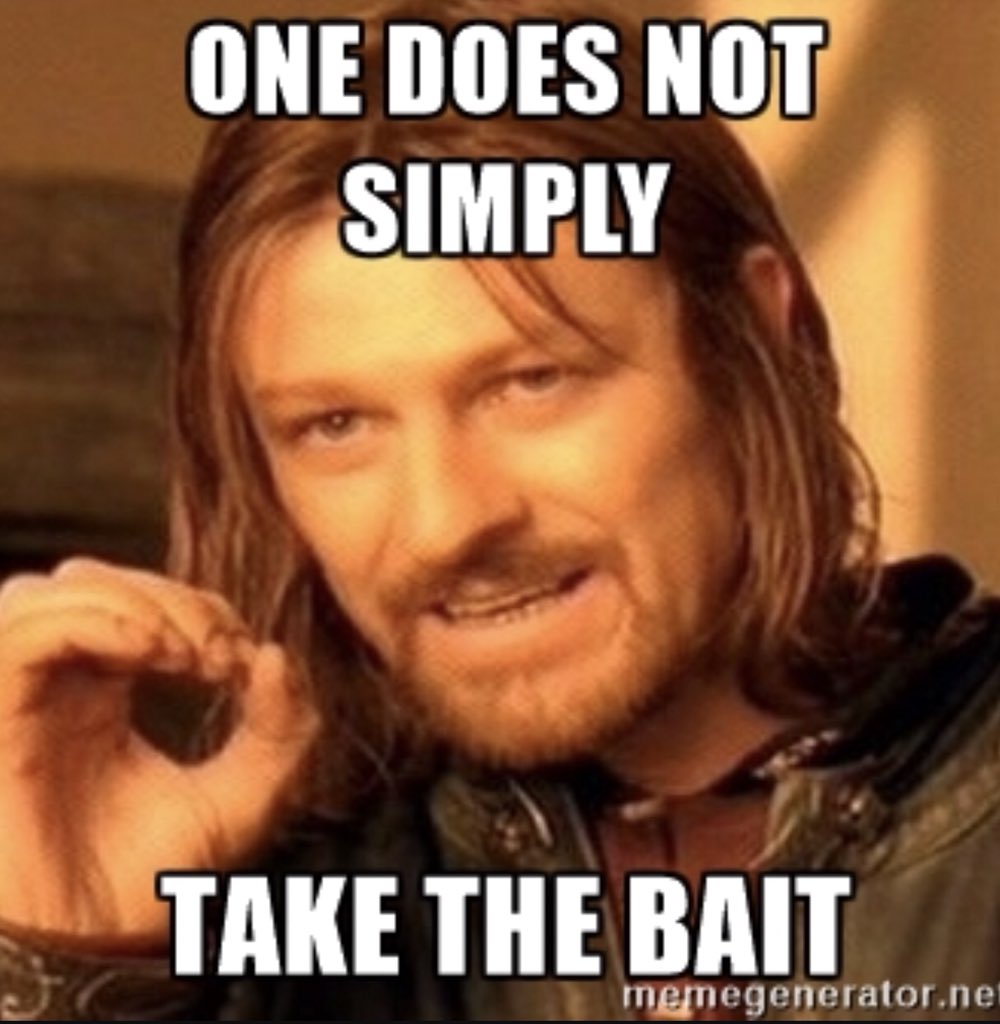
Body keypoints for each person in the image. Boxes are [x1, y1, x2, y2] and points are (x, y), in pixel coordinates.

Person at [0, 2, 998, 1020]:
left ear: (755, 334)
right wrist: (84, 972)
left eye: (528, 382)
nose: (446, 523)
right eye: (336, 424)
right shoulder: (291, 928)